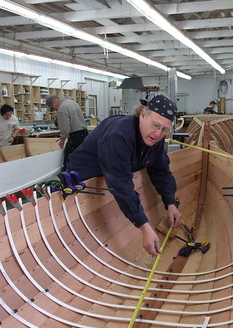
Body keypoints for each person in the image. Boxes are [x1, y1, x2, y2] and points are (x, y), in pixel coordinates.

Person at [67, 92, 182, 256]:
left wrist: (170, 203)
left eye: (165, 130)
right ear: (142, 115)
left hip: (110, 179)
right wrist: (144, 226)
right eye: (155, 125)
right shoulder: (119, 134)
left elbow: (161, 171)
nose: (158, 134)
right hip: (84, 179)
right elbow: (120, 183)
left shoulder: (155, 138)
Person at [46, 95, 88, 170]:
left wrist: (62, 140)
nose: (55, 110)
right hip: (84, 133)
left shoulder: (62, 109)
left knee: (68, 159)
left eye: (52, 108)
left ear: (54, 102)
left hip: (76, 136)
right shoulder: (73, 103)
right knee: (82, 157)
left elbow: (64, 127)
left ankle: (68, 178)